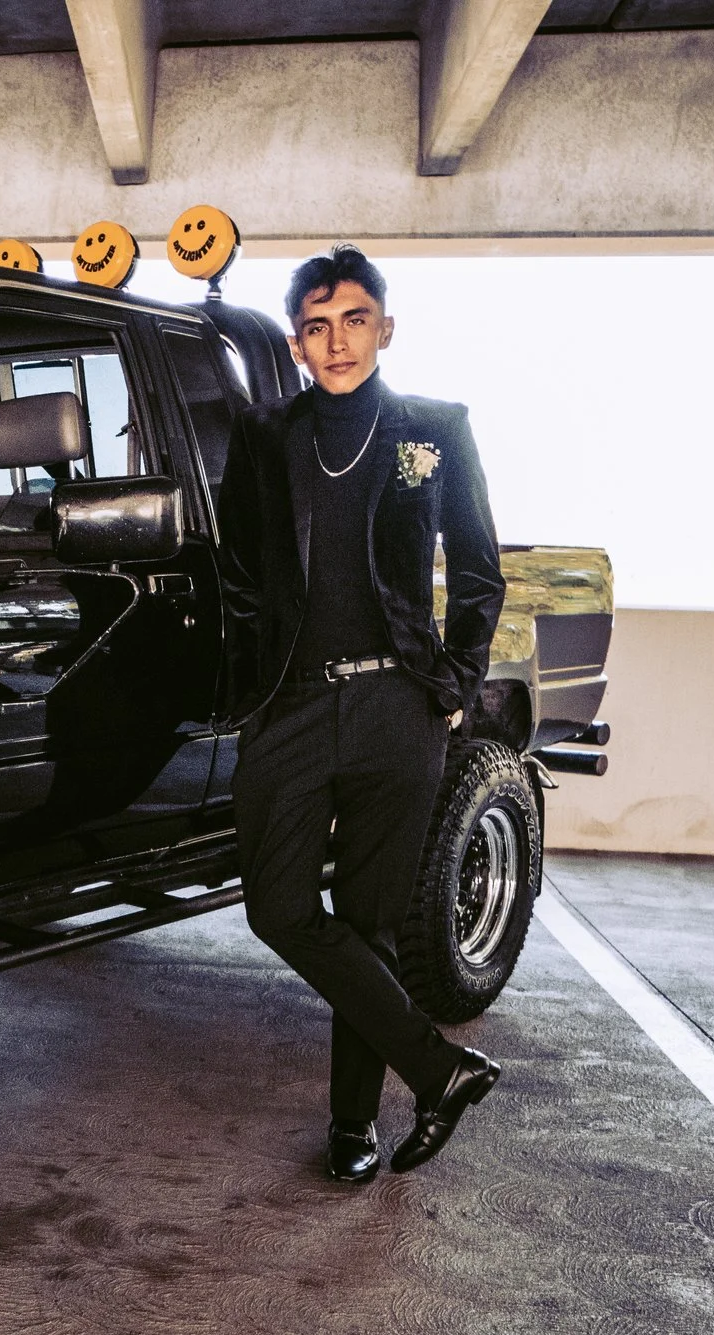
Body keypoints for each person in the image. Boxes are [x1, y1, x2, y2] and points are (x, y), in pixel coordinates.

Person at [213, 245, 506, 1182]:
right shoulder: (265, 435)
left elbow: (478, 569)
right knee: (279, 907)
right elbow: (236, 570)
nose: (334, 341)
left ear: (385, 326)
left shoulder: (435, 429)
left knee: (371, 922)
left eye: (352, 320)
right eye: (315, 325)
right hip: (292, 708)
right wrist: (251, 684)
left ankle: (352, 1126)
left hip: (397, 707)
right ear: (296, 344)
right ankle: (439, 1067)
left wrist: (452, 687)